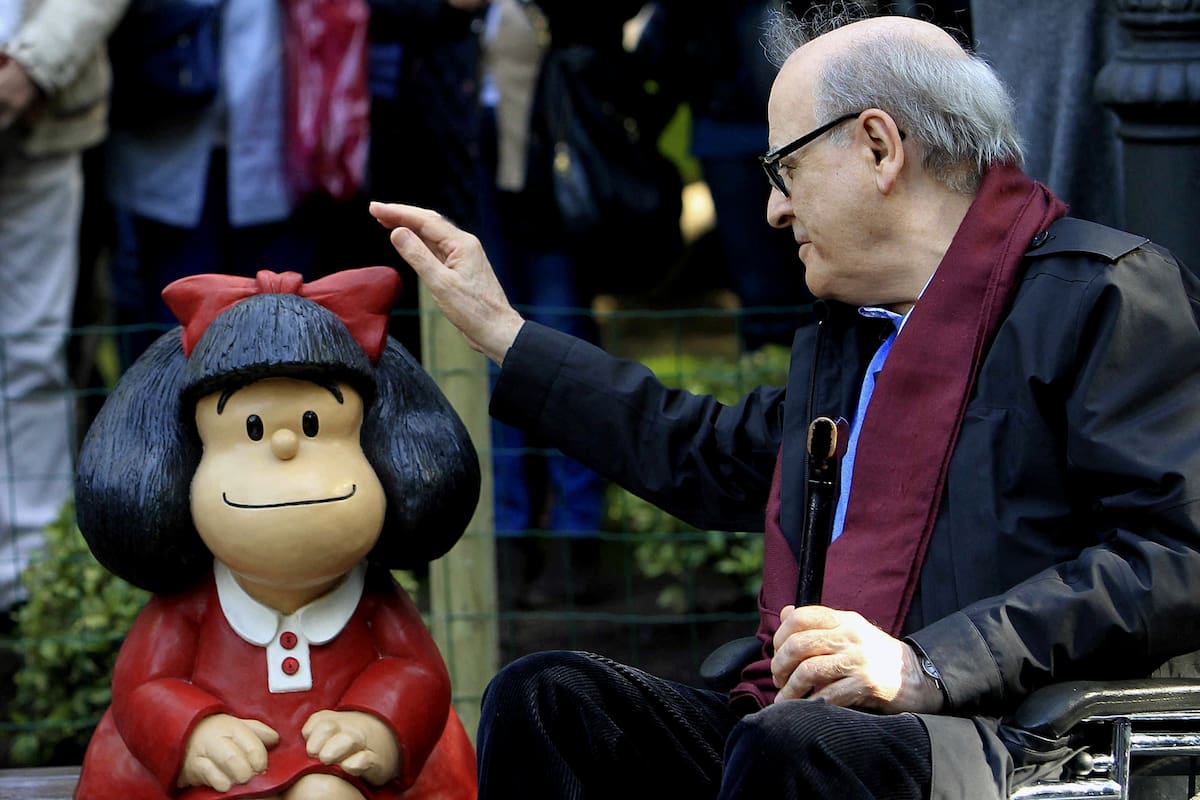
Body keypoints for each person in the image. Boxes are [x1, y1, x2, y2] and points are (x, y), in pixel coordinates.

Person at [369, 4, 1200, 799]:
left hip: (1011, 743)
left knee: (796, 744)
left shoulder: (1105, 298)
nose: (771, 208)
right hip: (813, 733)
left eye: (785, 168)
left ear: (879, 147)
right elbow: (702, 451)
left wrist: (928, 663)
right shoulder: (853, 341)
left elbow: (1176, 559)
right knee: (549, 701)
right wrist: (505, 334)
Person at [74, 268, 479, 798]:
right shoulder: (190, 607)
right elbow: (143, 685)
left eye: (315, 426)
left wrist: (377, 722)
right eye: (252, 429)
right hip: (224, 774)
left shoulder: (373, 601)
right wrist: (192, 729)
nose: (285, 447)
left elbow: (416, 672)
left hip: (341, 770)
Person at [0, 0, 129, 620]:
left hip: (43, 118)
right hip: (45, 108)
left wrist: (33, 67)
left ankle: (30, 584)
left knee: (34, 351)